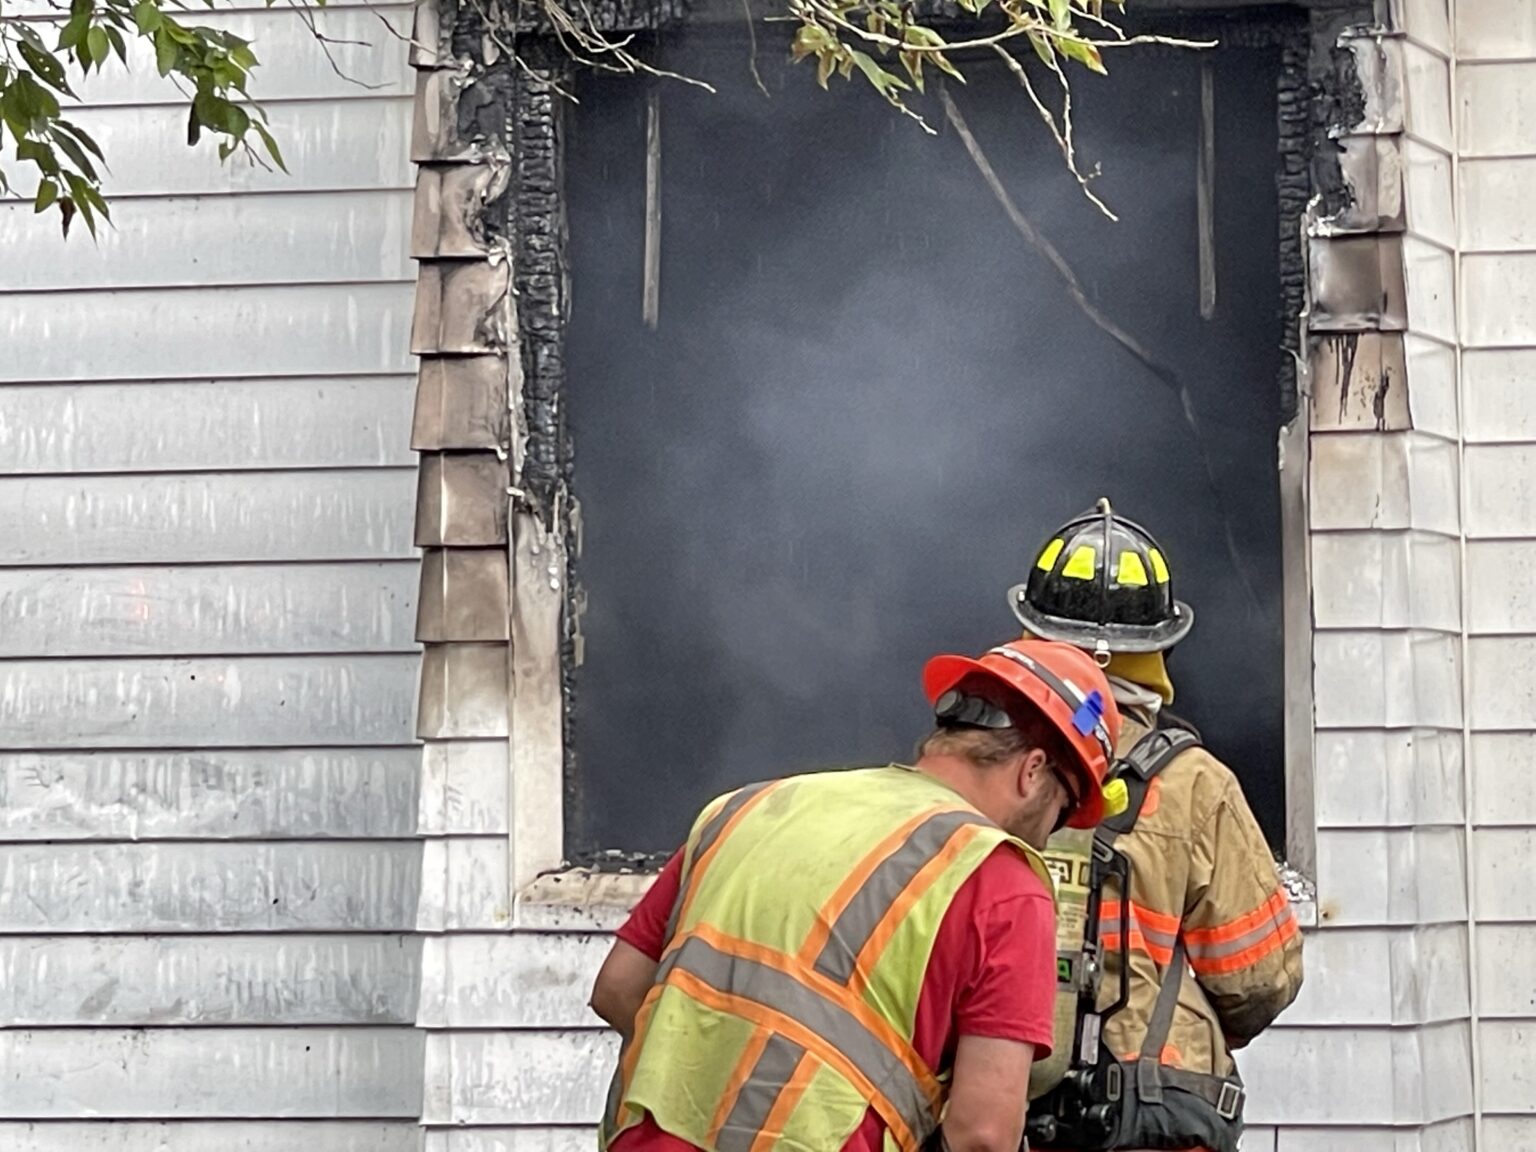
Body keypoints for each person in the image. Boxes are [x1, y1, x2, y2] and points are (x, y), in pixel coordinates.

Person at [589, 638, 1125, 1152]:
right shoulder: (1001, 880)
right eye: (1060, 813)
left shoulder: (749, 806)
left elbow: (617, 988)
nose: (1045, 836)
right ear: (1033, 773)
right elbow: (982, 1133)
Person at [1012, 499, 1304, 1152]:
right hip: (1146, 1119)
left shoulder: (982, 763)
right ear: (1159, 645)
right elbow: (1258, 979)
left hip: (993, 1105)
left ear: (1032, 634)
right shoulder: (1195, 786)